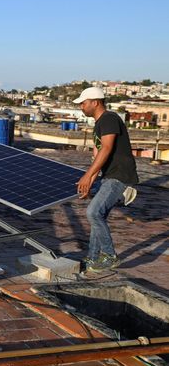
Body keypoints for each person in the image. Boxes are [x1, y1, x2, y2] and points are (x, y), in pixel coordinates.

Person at [74, 86, 138, 273]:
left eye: (83, 103)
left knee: (93, 213)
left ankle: (109, 256)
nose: (81, 107)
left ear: (95, 102)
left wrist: (86, 175)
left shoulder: (109, 119)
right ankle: (93, 259)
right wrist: (90, 182)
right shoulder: (98, 124)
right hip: (109, 176)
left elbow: (107, 148)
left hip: (120, 176)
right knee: (97, 216)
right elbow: (98, 157)